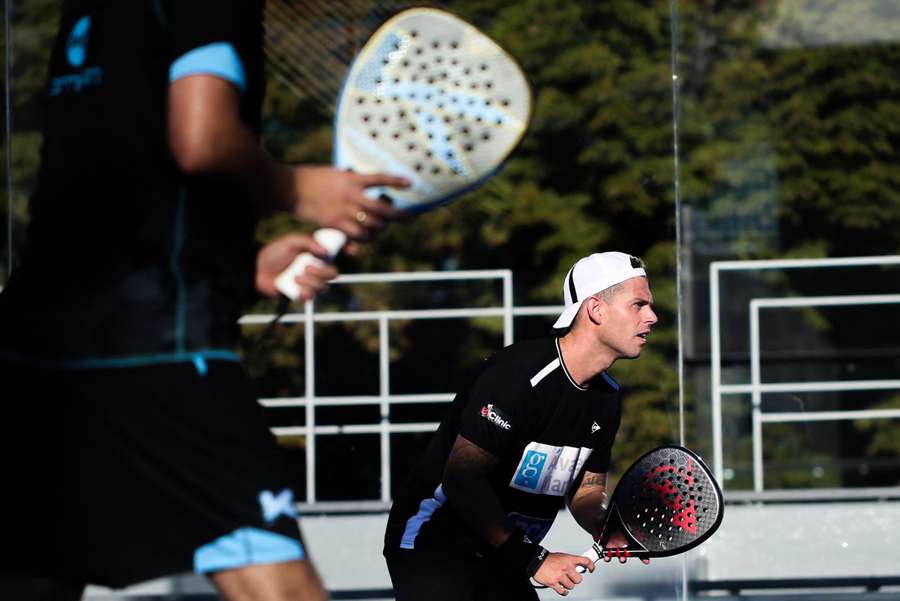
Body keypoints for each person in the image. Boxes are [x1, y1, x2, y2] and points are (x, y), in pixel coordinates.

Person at [0, 1, 407, 600]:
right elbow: (201, 138)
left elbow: (116, 187)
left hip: (37, 341)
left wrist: (239, 270)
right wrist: (300, 187)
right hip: (155, 346)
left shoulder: (86, 11)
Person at [383, 251, 658, 600]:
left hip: (503, 554)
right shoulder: (517, 376)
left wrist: (607, 526)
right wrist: (532, 559)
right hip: (433, 542)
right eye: (639, 304)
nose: (652, 316)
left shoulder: (608, 398)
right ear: (596, 309)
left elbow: (587, 490)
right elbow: (462, 478)